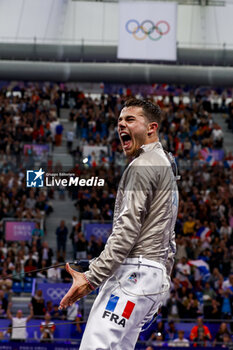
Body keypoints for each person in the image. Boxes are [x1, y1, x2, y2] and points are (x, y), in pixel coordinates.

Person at [59, 98, 179, 350]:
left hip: (134, 276)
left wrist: (92, 277)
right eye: (119, 121)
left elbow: (127, 231)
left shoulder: (143, 165)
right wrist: (160, 280)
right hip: (150, 276)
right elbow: (169, 236)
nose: (121, 125)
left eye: (130, 119)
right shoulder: (165, 163)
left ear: (151, 128)